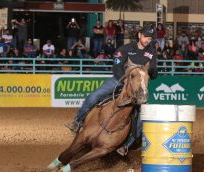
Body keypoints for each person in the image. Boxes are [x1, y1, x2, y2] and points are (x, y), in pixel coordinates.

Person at [65, 24, 158, 156]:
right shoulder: (126, 49)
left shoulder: (152, 52)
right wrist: (124, 80)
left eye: (150, 38)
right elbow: (117, 67)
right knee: (94, 96)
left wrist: (153, 68)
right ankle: (77, 121)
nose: (148, 40)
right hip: (119, 81)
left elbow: (153, 75)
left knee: (144, 117)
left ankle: (127, 144)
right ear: (139, 35)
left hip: (137, 89)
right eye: (146, 37)